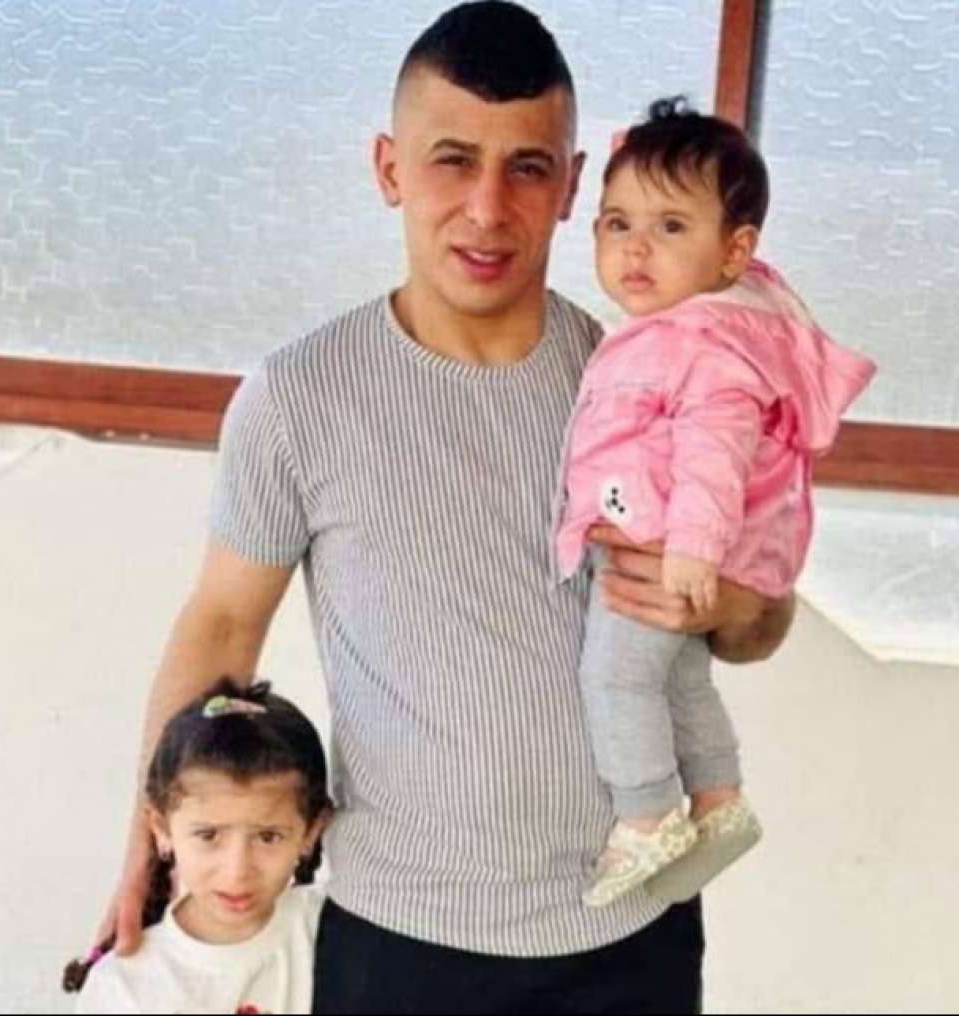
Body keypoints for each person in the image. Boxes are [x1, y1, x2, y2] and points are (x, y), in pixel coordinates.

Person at [98, 4, 796, 1012]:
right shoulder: (298, 398)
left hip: (631, 934)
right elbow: (221, 624)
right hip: (400, 941)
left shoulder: (652, 384)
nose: (487, 207)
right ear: (389, 168)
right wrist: (146, 847)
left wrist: (723, 600)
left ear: (570, 186)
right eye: (452, 160)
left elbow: (761, 620)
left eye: (526, 167)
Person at [553, 97, 875, 908]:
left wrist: (696, 549)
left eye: (670, 227)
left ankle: (648, 814)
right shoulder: (694, 330)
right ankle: (719, 798)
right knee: (678, 681)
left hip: (661, 555)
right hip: (670, 551)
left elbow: (714, 451)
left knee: (616, 680)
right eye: (617, 223)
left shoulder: (699, 343)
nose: (635, 248)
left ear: (735, 251)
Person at [65, 679, 331, 1014]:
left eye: (268, 837)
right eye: (208, 835)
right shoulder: (125, 986)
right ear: (161, 830)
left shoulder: (330, 930)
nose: (237, 871)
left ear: (311, 832)